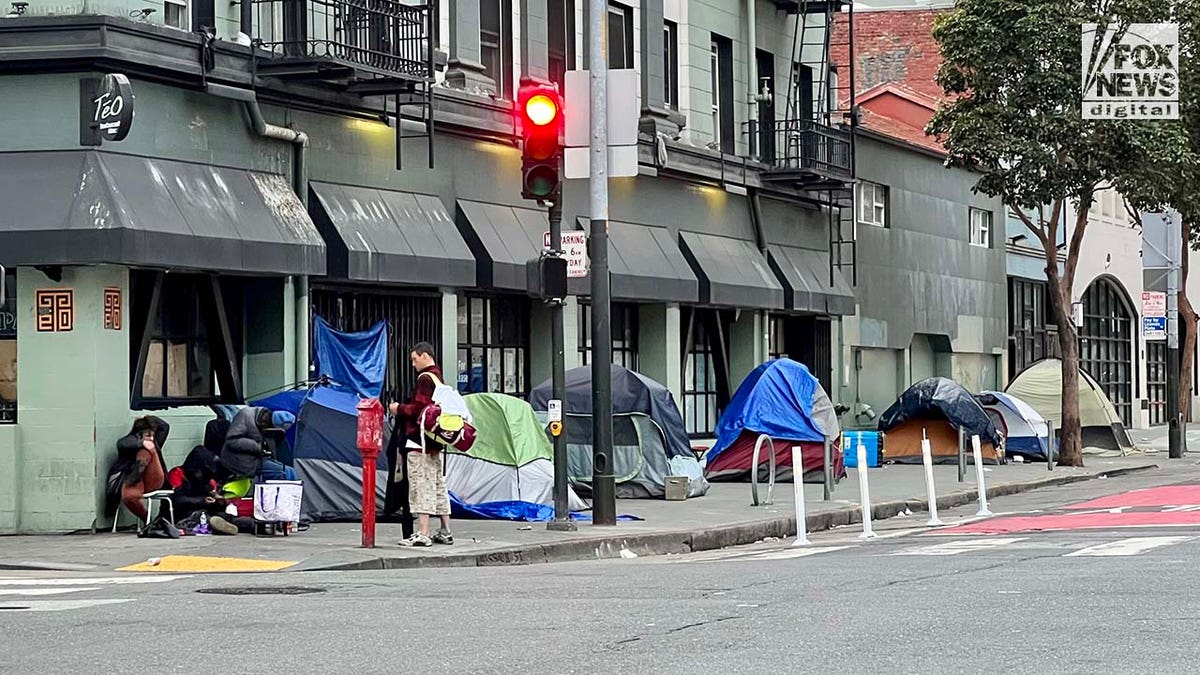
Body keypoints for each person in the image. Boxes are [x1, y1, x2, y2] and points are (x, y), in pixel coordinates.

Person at [390, 342, 453, 547]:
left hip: (419, 441)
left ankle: (423, 532)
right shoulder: (438, 377)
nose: (412, 363)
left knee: (420, 485)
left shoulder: (425, 379)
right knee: (437, 485)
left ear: (424, 356)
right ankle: (445, 530)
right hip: (436, 440)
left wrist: (398, 408)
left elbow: (419, 409)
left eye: (414, 359)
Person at [108, 416, 170, 525]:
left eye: (152, 435)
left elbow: (164, 426)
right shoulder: (129, 442)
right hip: (135, 479)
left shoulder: (154, 442)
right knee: (145, 450)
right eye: (147, 435)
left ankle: (133, 480)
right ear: (138, 435)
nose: (151, 438)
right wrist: (142, 443)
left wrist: (147, 417)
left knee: (147, 451)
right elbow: (122, 443)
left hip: (151, 480)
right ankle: (148, 520)